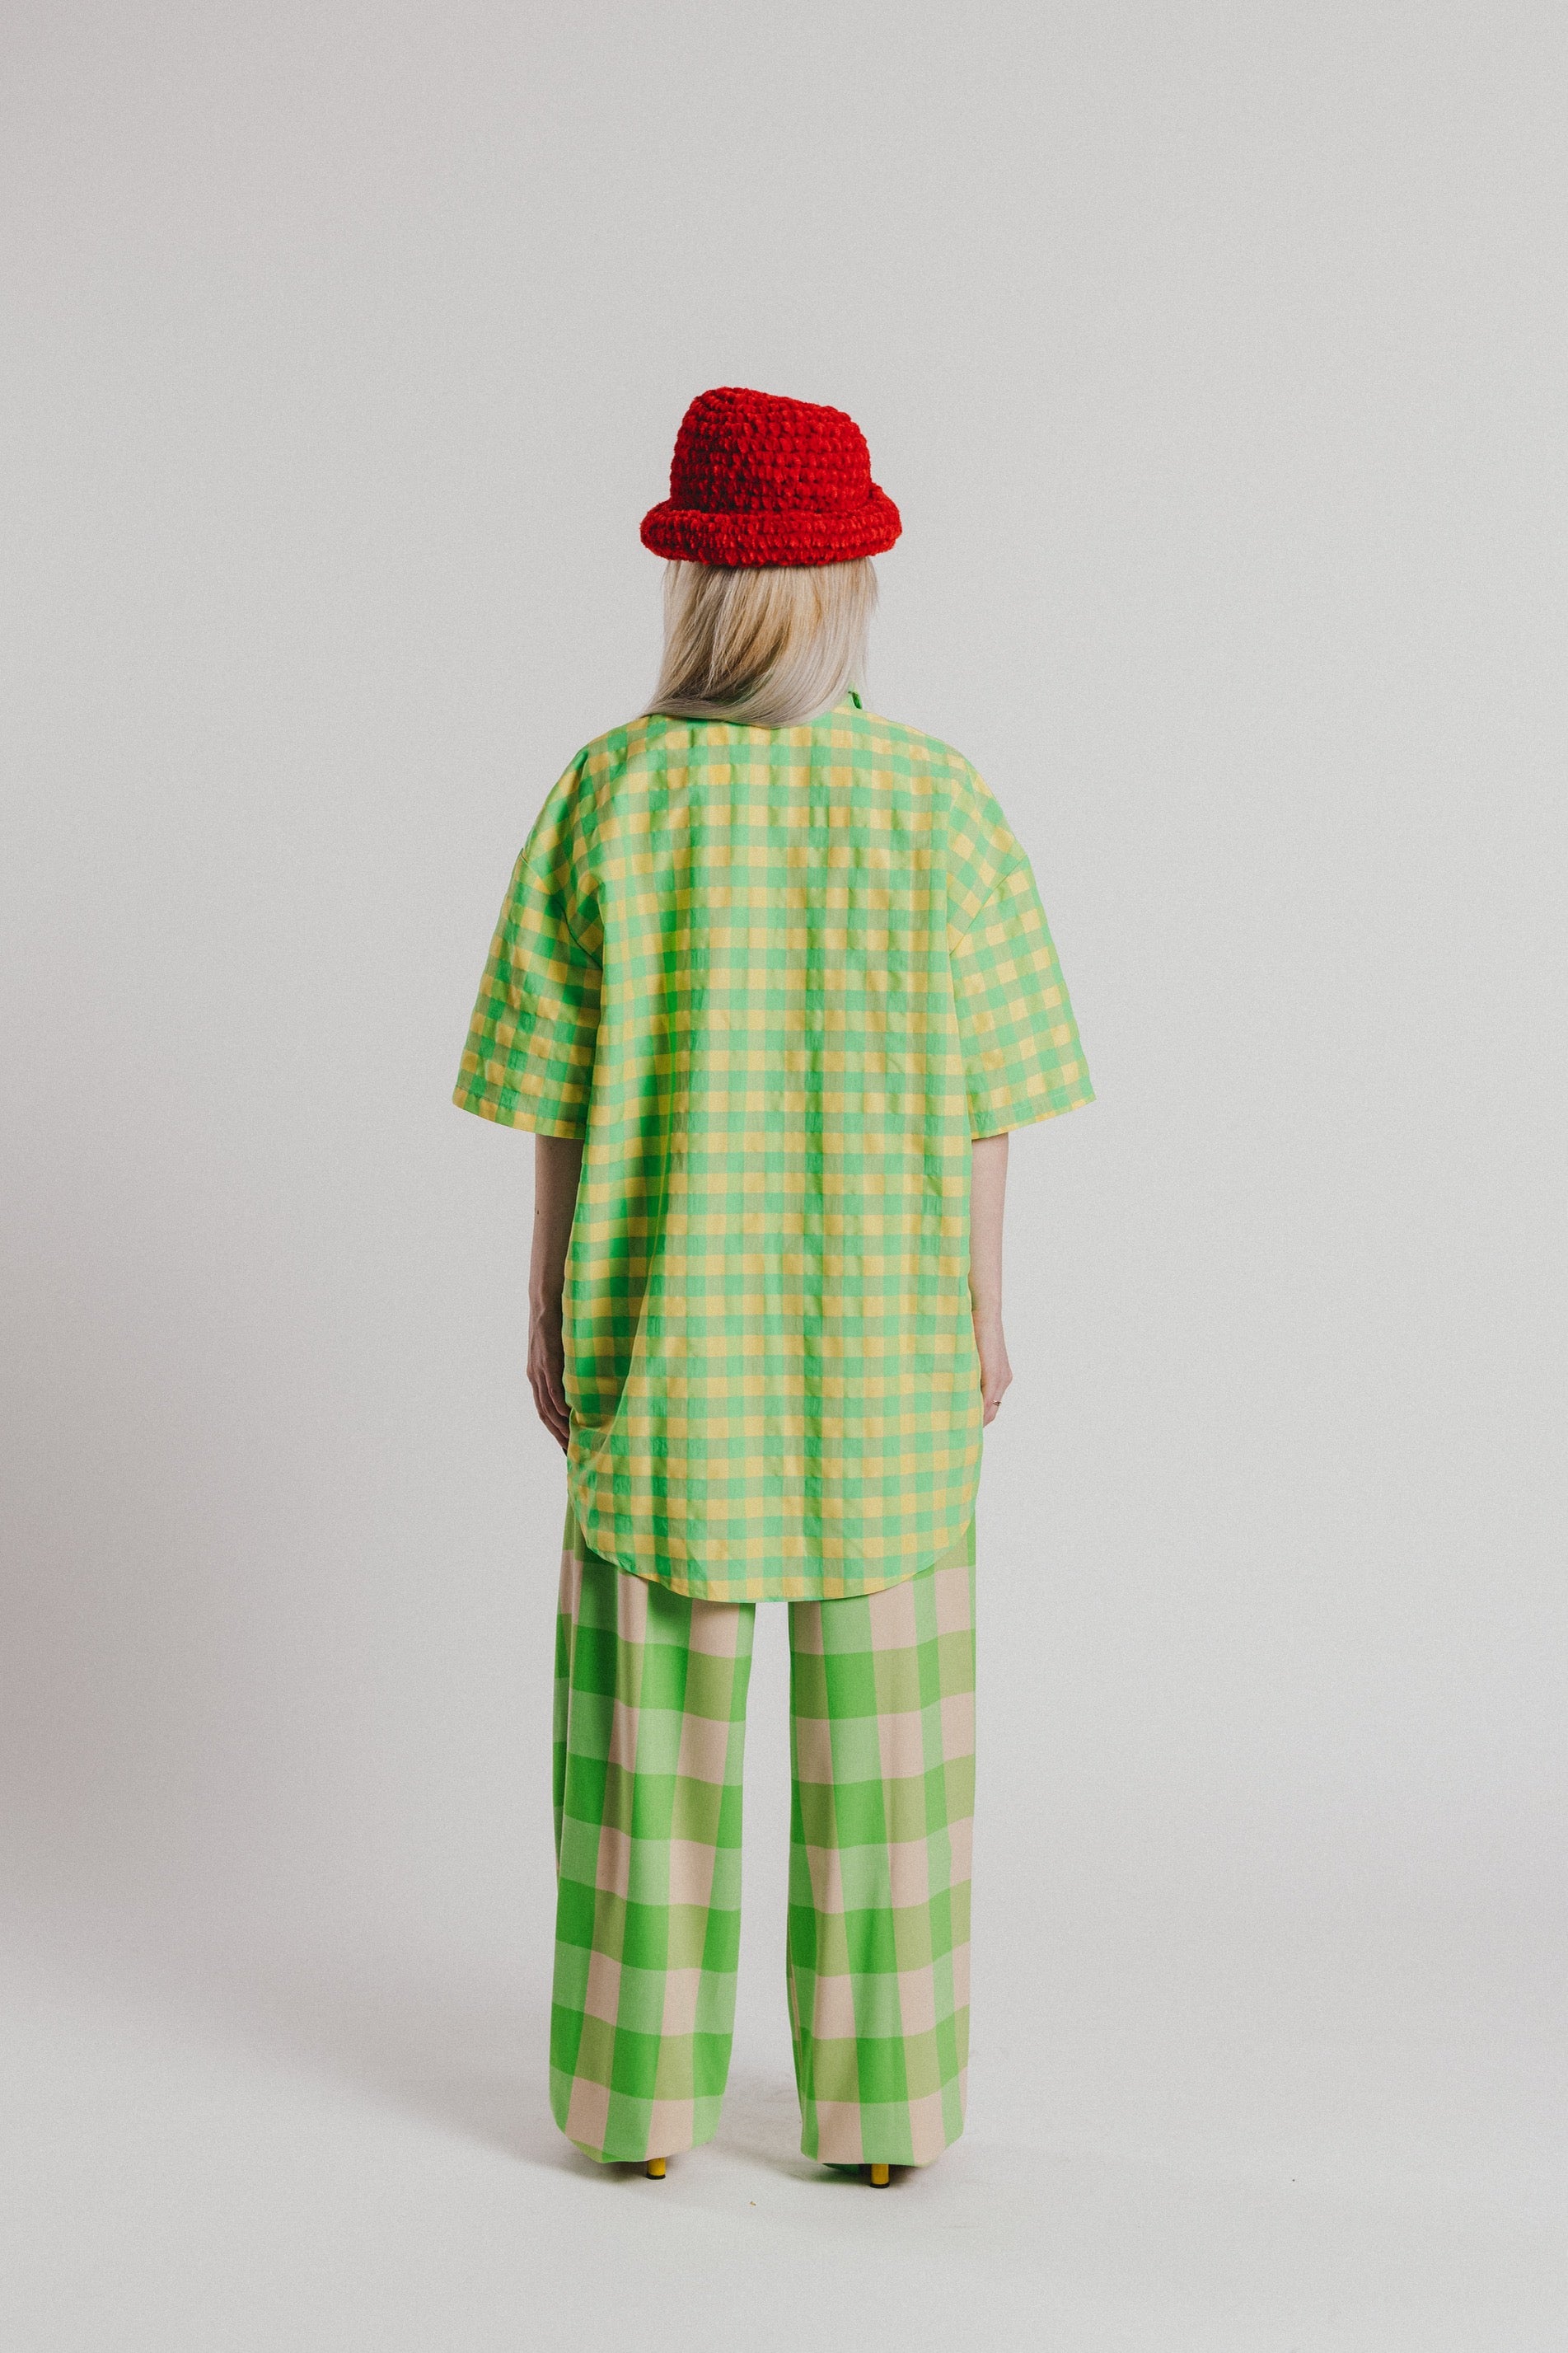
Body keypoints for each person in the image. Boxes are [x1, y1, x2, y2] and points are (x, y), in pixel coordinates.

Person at [453, 385, 1093, 2187]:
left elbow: (553, 1095)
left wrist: (546, 1298)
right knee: (890, 1783)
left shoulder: (610, 794)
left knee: (640, 1771)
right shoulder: (937, 802)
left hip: (661, 1337)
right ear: (845, 584)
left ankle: (636, 2111)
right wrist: (981, 1309)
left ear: (698, 586)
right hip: (885, 1347)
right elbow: (990, 1102)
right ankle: (883, 2121)